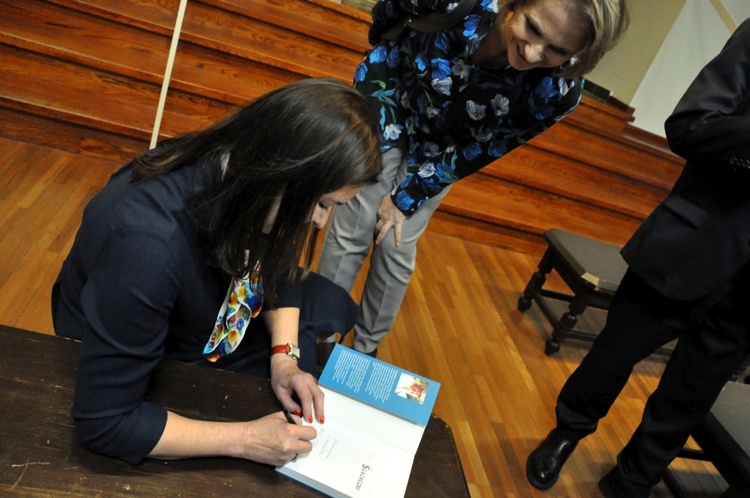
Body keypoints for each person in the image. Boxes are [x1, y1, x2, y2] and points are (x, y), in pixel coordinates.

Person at [51, 78, 382, 467]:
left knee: (326, 317)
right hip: (143, 350)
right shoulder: (146, 245)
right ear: (285, 174)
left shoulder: (242, 176)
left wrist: (284, 357)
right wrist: (245, 439)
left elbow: (278, 266)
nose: (321, 221)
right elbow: (105, 423)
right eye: (323, 203)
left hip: (214, 311)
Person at [318, 0, 630, 357]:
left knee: (395, 243)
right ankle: (319, 334)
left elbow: (489, 146)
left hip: (445, 148)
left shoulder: (559, 91)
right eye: (533, 28)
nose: (532, 53)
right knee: (355, 220)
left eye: (557, 50)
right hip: (392, 95)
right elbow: (389, 12)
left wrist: (408, 197)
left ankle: (363, 355)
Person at [526, 18, 750, 497]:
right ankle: (567, 432)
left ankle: (631, 480)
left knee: (690, 395)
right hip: (693, 244)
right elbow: (691, 126)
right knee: (613, 354)